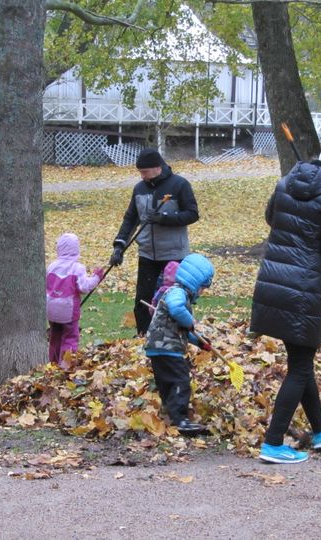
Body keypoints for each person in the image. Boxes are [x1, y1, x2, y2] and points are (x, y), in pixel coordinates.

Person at [250, 136, 321, 464]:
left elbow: (272, 218)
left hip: (274, 281)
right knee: (299, 367)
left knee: (302, 361)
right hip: (303, 288)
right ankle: (272, 443)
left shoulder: (286, 183)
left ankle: (320, 433)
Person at [109, 148, 199, 335]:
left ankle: (176, 337)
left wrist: (164, 217)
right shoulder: (139, 188)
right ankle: (143, 336)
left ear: (158, 168)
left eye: (145, 172)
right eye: (140, 172)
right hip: (147, 254)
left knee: (173, 301)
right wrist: (119, 245)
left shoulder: (179, 185)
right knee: (143, 300)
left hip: (174, 255)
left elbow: (192, 214)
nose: (142, 176)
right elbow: (131, 218)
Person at [144, 253, 214, 436]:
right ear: (195, 283)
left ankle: (170, 414)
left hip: (159, 347)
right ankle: (181, 419)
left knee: (167, 383)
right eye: (202, 288)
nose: (202, 293)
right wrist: (190, 321)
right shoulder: (177, 293)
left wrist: (200, 342)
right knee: (181, 380)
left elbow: (182, 331)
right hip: (167, 347)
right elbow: (177, 310)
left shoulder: (176, 293)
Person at [46, 233, 104, 366]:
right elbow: (84, 287)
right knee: (70, 337)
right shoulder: (77, 268)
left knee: (55, 336)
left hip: (51, 308)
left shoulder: (52, 266)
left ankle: (53, 363)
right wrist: (96, 277)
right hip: (68, 310)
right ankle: (66, 365)